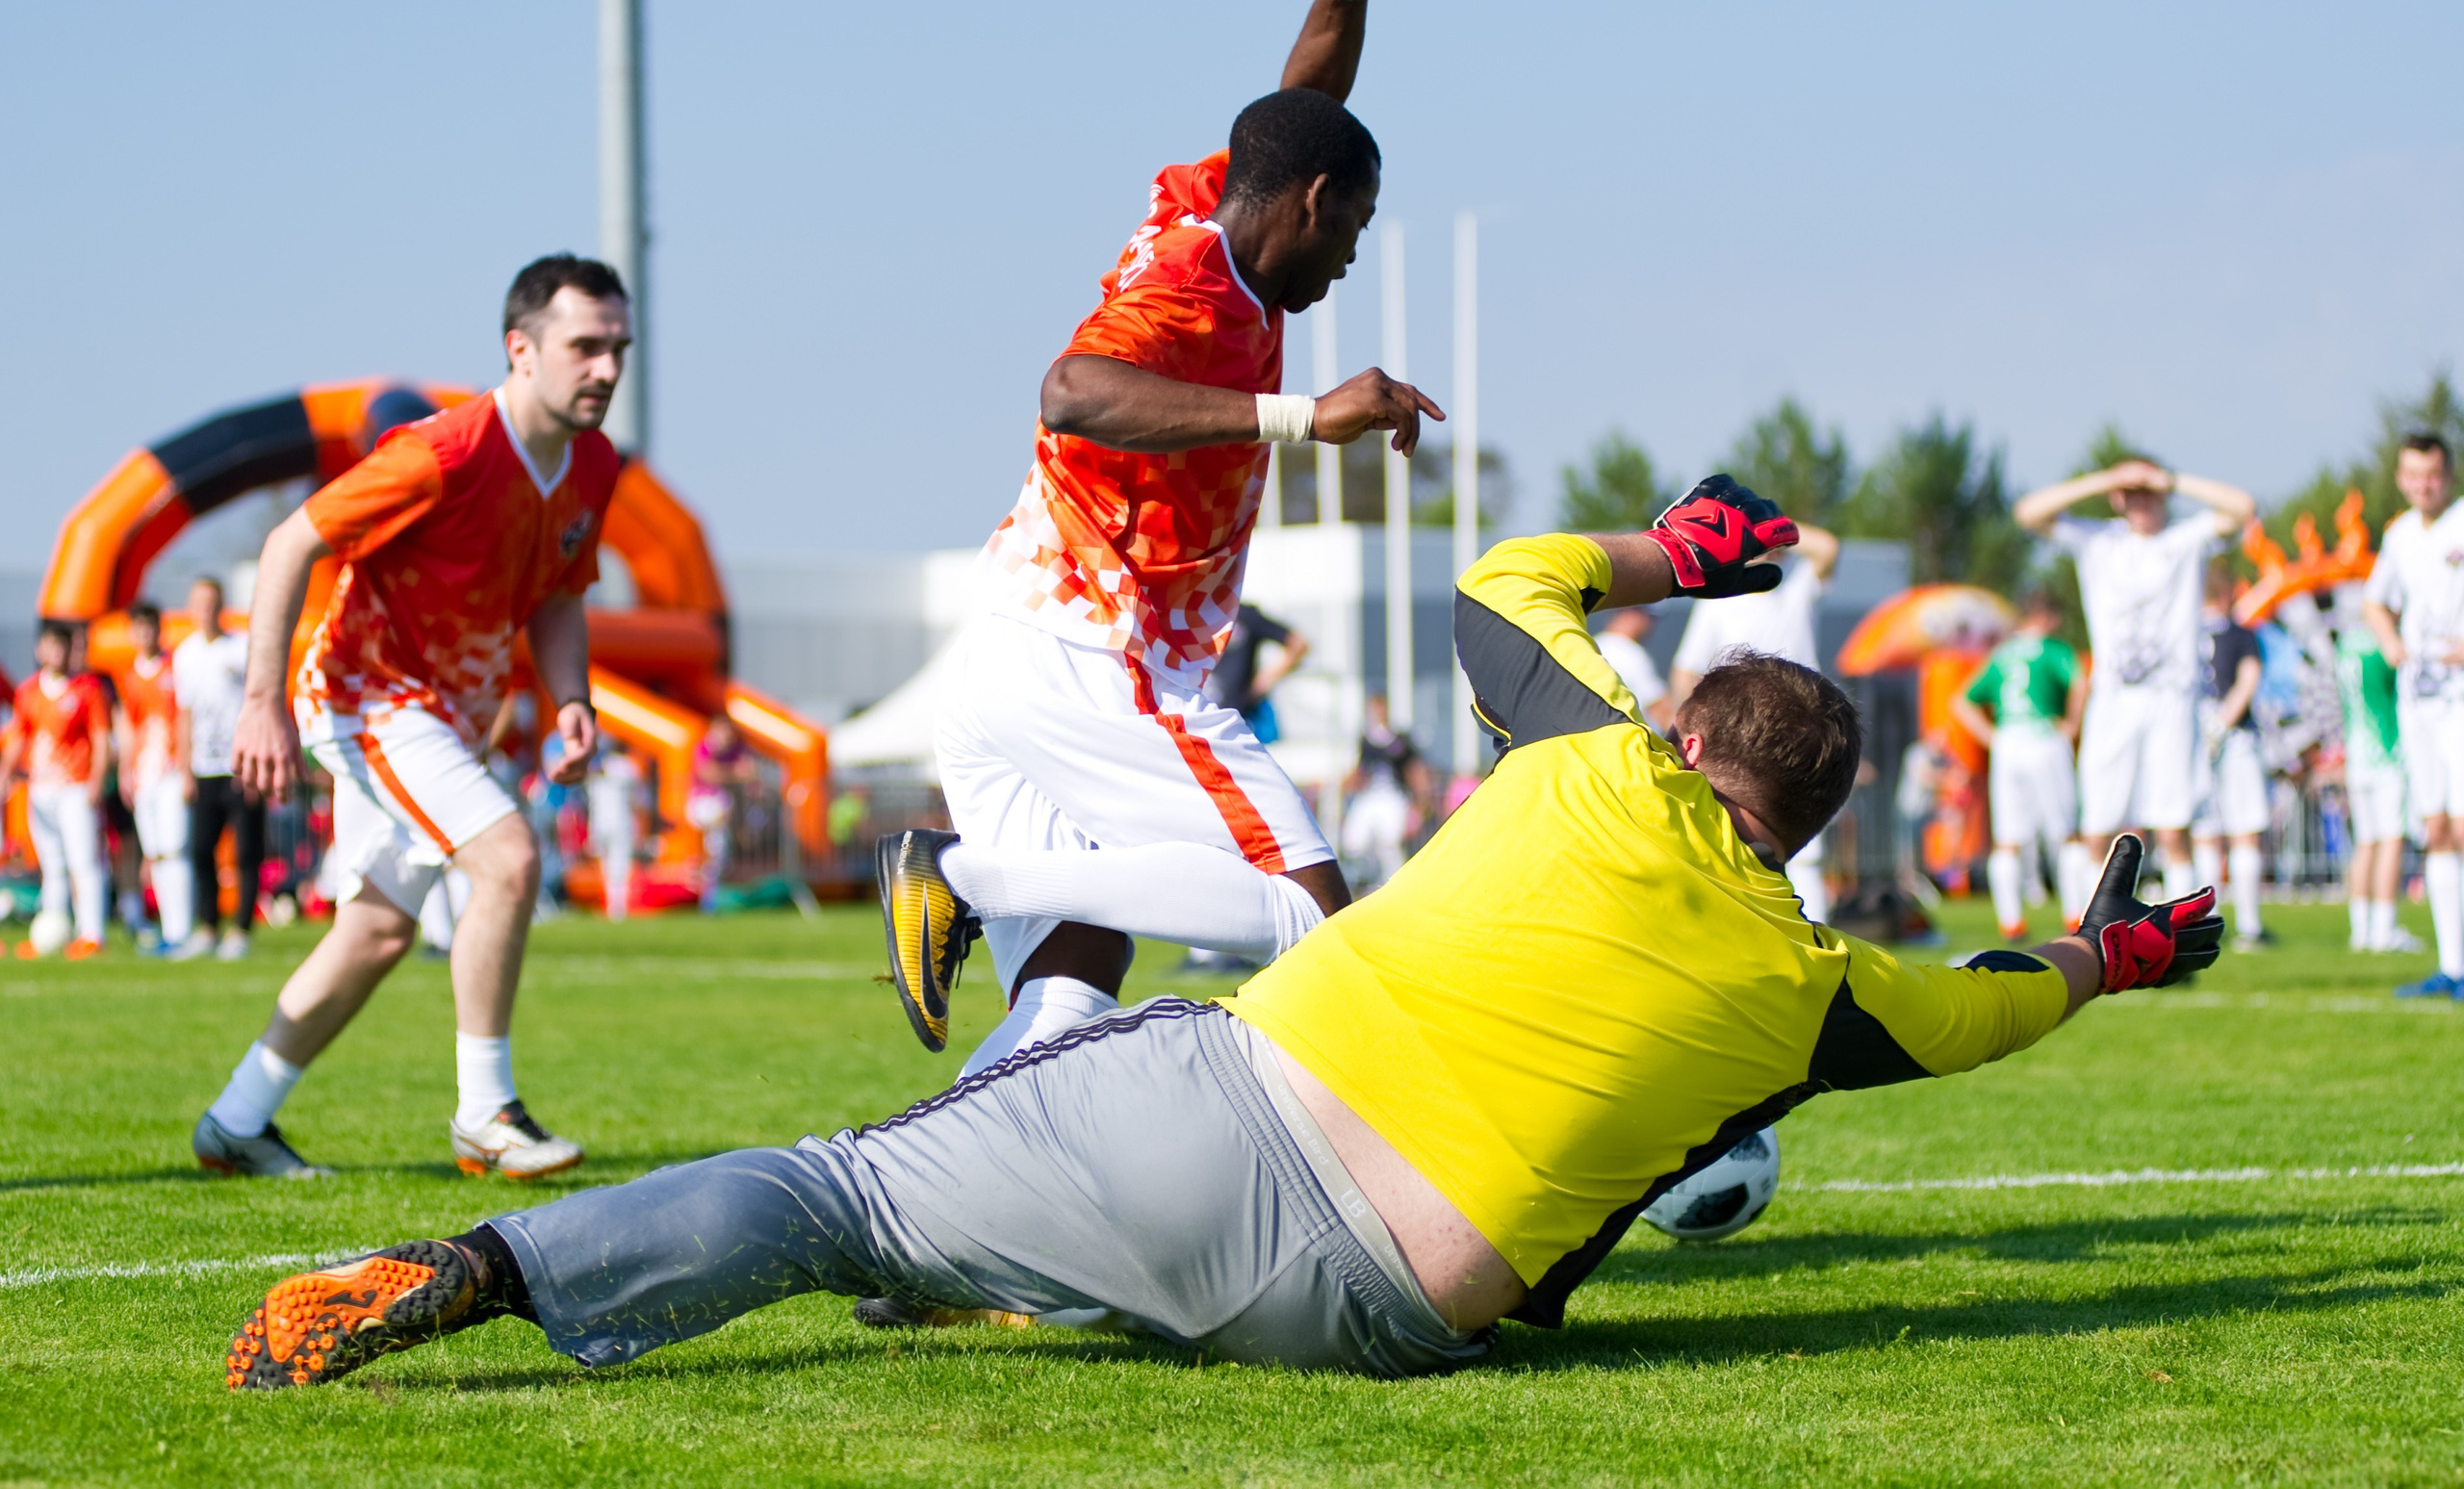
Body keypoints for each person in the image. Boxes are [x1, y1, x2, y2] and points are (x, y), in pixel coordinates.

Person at [217, 477, 2224, 1393]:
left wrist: (1674, 552)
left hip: (1229, 1110)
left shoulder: (1592, 757)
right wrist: (2105, 958)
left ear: (1687, 735)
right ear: (1805, 828)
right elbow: (1982, 1014)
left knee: (837, 1189)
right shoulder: (1813, 977)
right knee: (1711, 1139)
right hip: (1388, 1322)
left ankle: (474, 1269)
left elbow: (1513, 577)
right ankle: (1034, 1249)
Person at [876, 0, 1441, 1075]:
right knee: (1313, 921)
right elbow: (1069, 393)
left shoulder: (1215, 206)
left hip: (1012, 654)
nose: (1350, 253)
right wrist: (1298, 420)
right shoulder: (1188, 293)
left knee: (1070, 997)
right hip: (1103, 663)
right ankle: (956, 875)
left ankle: (925, 1238)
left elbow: (1301, 111)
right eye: (1354, 223)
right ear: (1310, 205)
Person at [188, 254, 625, 1180]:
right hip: (364, 697)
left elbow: (557, 596)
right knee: (508, 860)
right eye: (585, 347)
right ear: (521, 348)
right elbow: (288, 542)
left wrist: (573, 700)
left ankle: (237, 1120)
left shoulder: (594, 464)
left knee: (378, 933)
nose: (607, 369)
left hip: (444, 717)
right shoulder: (442, 453)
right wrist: (262, 704)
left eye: (619, 347)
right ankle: (485, 1114)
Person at [2015, 458, 2255, 897]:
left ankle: (2180, 939)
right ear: (2118, 498)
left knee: (2172, 827)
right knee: (2098, 826)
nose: (2142, 501)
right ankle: (2094, 938)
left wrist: (2174, 479)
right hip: (2114, 699)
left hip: (2172, 699)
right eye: (2133, 493)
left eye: (2150, 492)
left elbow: (2242, 507)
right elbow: (2029, 512)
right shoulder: (2098, 539)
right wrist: (2108, 478)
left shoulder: (2185, 538)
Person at [1670, 521, 1841, 920]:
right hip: (1740, 736)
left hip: (1800, 730)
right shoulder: (1718, 600)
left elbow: (1827, 547)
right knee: (1735, 841)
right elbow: (1684, 672)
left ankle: (1813, 940)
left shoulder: (1796, 589)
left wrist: (1770, 526)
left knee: (1805, 853)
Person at [2363, 433, 2464, 996]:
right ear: (2402, 477)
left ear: (2447, 477)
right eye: (2413, 474)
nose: (2423, 484)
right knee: (2437, 830)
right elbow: (2375, 600)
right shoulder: (2400, 534)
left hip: (2461, 697)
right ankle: (2453, 968)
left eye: (2433, 474)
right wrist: (2390, 642)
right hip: (2420, 697)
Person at [1954, 590, 2089, 939]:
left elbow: (1962, 702)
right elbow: (2080, 680)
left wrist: (1992, 737)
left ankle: (2011, 921)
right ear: (2046, 617)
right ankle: (2075, 915)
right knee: (2067, 834)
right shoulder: (2053, 649)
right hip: (2044, 738)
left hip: (2009, 744)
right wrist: (2072, 723)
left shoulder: (2001, 655)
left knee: (2008, 841)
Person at [1, 622, 113, 958]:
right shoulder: (29, 691)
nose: (57, 653)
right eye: (50, 645)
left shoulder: (87, 689)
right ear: (40, 650)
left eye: (62, 646)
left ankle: (92, 933)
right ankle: (53, 928)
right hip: (41, 788)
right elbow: (20, 735)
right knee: (52, 864)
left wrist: (96, 779)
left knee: (84, 860)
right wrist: (6, 773)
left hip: (75, 787)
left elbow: (101, 739)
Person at [174, 576, 263, 961]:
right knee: (199, 850)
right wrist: (184, 769)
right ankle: (207, 927)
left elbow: (260, 706)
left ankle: (240, 930)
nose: (205, 610)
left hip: (241, 766)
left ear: (221, 606)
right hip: (204, 769)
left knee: (247, 851)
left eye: (212, 602)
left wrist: (256, 760)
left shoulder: (242, 648)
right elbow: (183, 714)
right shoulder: (185, 654)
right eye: (199, 603)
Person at [2191, 564, 2270, 949]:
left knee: (2206, 835)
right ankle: (2250, 928)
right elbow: (2248, 679)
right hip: (2236, 738)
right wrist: (2223, 723)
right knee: (2244, 834)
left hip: (2194, 739)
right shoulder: (2241, 634)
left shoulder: (2185, 634)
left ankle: (2207, 924)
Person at [115, 602, 198, 958]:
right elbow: (128, 729)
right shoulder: (129, 676)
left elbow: (185, 718)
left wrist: (186, 768)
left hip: (171, 772)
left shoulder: (175, 667)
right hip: (144, 775)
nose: (145, 633)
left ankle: (182, 930)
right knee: (156, 854)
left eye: (150, 626)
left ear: (159, 629)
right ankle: (169, 929)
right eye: (138, 627)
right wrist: (126, 772)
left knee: (175, 849)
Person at [2332, 584, 2409, 953]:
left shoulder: (2347, 645)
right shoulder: (2384, 647)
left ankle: (2359, 928)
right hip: (2386, 753)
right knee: (2391, 840)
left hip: (2357, 754)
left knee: (2365, 843)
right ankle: (2384, 928)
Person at [1339, 692, 1423, 889]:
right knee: (1354, 841)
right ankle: (1364, 881)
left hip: (1393, 796)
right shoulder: (1364, 741)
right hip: (1368, 796)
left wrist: (1418, 804)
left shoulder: (1400, 740)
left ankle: (1395, 885)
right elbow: (1357, 771)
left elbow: (1414, 770)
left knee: (1389, 840)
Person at [1211, 603, 1312, 744]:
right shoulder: (1186, 612)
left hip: (1243, 718)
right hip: (1202, 719)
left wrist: (1263, 682)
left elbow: (1298, 644)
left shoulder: (1242, 614)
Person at [688, 714, 755, 912]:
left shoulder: (736, 750)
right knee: (713, 849)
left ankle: (711, 899)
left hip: (726, 809)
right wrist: (734, 773)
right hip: (704, 804)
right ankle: (705, 897)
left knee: (719, 853)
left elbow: (749, 772)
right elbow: (708, 773)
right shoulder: (705, 748)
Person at [1592, 606, 1674, 730]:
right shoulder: (1629, 652)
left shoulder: (1593, 645)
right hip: (1628, 742)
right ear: (1631, 614)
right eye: (1649, 617)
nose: (1651, 625)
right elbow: (1661, 710)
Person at [586, 743, 641, 923]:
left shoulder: (623, 767)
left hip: (612, 822)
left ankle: (617, 908)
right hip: (610, 823)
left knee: (616, 867)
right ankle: (615, 908)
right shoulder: (625, 766)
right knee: (614, 866)